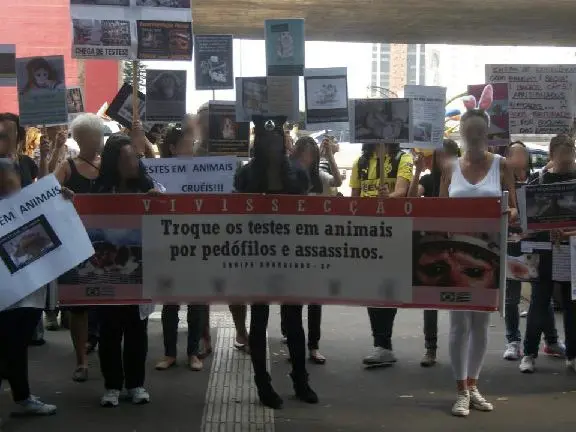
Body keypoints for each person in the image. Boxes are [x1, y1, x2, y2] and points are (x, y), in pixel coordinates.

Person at [439, 87, 518, 417]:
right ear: (461, 133)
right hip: (456, 257)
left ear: (486, 132)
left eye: (478, 132)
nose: (473, 138)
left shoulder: (502, 165)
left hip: (489, 257)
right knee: (459, 326)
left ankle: (473, 385)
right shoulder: (449, 168)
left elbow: (514, 209)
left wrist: (504, 214)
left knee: (481, 326)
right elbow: (438, 213)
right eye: (467, 132)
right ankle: (460, 390)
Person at [234, 116, 317, 409]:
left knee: (294, 321)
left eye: (276, 138)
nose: (272, 144)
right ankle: (263, 385)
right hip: (257, 257)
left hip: (290, 256)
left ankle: (300, 379)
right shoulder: (245, 176)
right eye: (266, 139)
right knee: (259, 321)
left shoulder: (297, 174)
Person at [0, 159, 73, 417]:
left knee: (17, 346)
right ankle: (21, 396)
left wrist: (63, 200)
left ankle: (22, 396)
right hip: (8, 297)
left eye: (12, 181)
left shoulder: (31, 203)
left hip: (31, 293)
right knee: (9, 346)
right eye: (5, 182)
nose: (10, 187)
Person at [92, 134, 158, 407]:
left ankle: (135, 384)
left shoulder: (148, 187)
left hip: (138, 273)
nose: (134, 162)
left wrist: (158, 202)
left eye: (135, 157)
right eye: (128, 158)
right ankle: (112, 386)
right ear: (114, 162)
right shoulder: (98, 192)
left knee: (136, 331)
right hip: (107, 274)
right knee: (109, 332)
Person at [350, 142, 413, 366]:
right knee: (372, 289)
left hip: (393, 233)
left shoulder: (402, 159)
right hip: (367, 234)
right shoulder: (361, 162)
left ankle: (383, 343)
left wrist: (390, 197)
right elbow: (354, 198)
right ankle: (381, 344)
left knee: (388, 288)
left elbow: (401, 192)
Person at [154, 125, 210, 372]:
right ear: (173, 148)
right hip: (170, 243)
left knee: (197, 302)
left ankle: (193, 353)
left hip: (197, 242)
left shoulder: (203, 172)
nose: (191, 148)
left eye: (193, 143)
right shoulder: (160, 173)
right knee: (170, 303)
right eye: (187, 143)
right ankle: (169, 353)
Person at [54, 113, 104, 382]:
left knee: (106, 301)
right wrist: (61, 192)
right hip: (74, 244)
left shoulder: (108, 165)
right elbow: (49, 190)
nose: (98, 140)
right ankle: (81, 361)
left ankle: (102, 354)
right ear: (82, 138)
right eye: (94, 135)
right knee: (78, 305)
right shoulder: (67, 167)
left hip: (105, 245)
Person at [519, 134, 576, 374]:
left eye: (569, 161)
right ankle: (529, 353)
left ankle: (572, 355)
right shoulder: (538, 180)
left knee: (572, 304)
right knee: (539, 302)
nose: (565, 166)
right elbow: (526, 217)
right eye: (561, 162)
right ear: (551, 156)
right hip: (543, 250)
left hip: (571, 249)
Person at [504, 141, 564, 361]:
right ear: (507, 157)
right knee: (511, 297)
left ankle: (552, 341)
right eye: (515, 153)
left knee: (541, 296)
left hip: (536, 244)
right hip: (511, 242)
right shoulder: (502, 181)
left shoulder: (536, 179)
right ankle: (513, 340)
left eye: (523, 153)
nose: (520, 157)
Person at [409, 139, 461, 367]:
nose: (443, 160)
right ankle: (430, 348)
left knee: (460, 299)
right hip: (431, 245)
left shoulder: (462, 181)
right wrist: (418, 171)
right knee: (430, 300)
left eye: (447, 155)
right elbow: (411, 198)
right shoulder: (428, 179)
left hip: (457, 244)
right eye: (440, 156)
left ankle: (461, 349)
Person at [282, 137, 326, 364]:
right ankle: (292, 341)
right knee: (292, 299)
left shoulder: (318, 179)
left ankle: (313, 345)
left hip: (314, 244)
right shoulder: (287, 176)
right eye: (304, 153)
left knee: (315, 299)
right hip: (291, 244)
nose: (307, 159)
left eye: (311, 154)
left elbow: (335, 184)